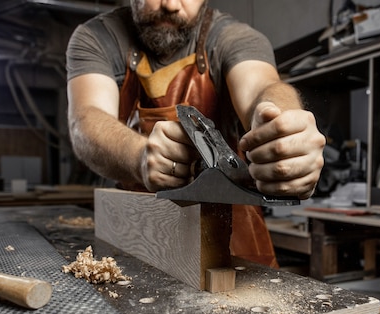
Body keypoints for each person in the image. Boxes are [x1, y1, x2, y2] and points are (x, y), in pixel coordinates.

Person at [66, 0, 325, 267]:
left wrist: (282, 124)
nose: (170, 5)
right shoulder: (95, 38)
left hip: (230, 238)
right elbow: (87, 119)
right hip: (136, 230)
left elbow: (264, 85)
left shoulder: (233, 37)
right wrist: (139, 156)